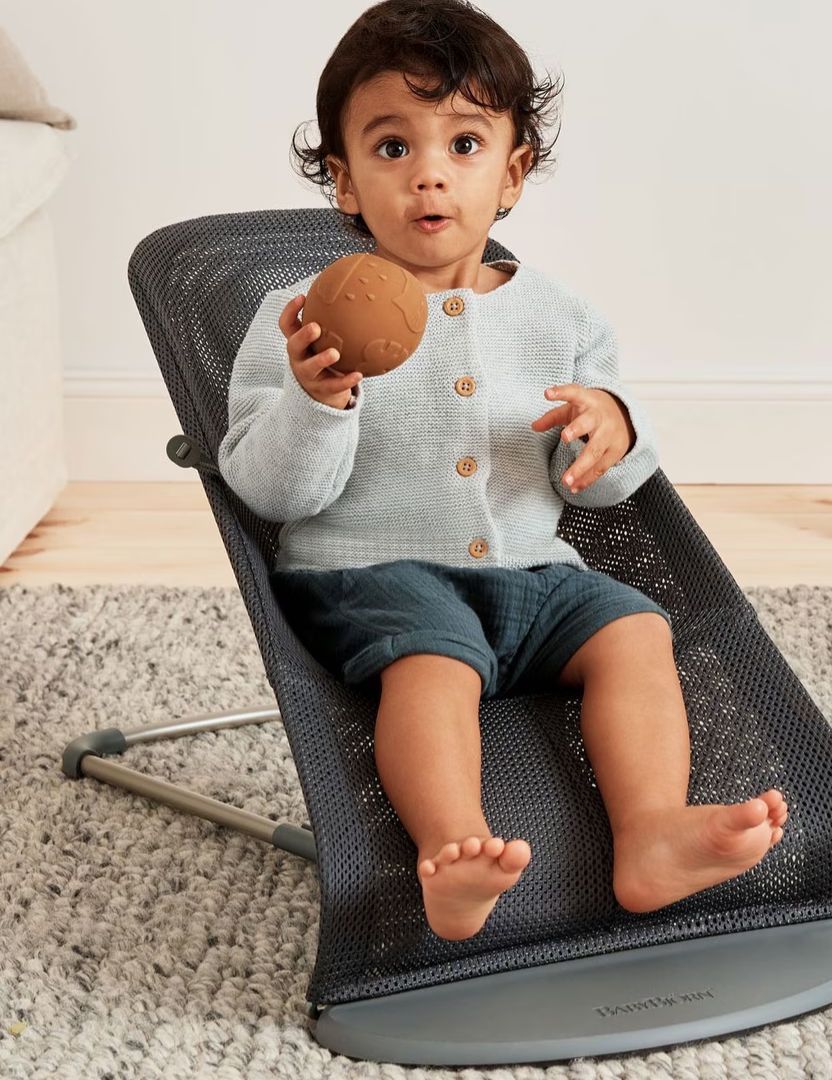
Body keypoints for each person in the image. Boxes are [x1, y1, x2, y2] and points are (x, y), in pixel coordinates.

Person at [219, 0, 787, 942]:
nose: (430, 172)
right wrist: (319, 401)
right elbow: (272, 493)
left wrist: (610, 427)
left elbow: (603, 485)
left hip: (531, 578)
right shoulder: (301, 316)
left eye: (467, 143)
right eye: (392, 147)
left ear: (512, 173)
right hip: (372, 576)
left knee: (636, 630)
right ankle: (455, 853)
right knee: (434, 664)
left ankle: (650, 836)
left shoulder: (561, 318)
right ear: (345, 182)